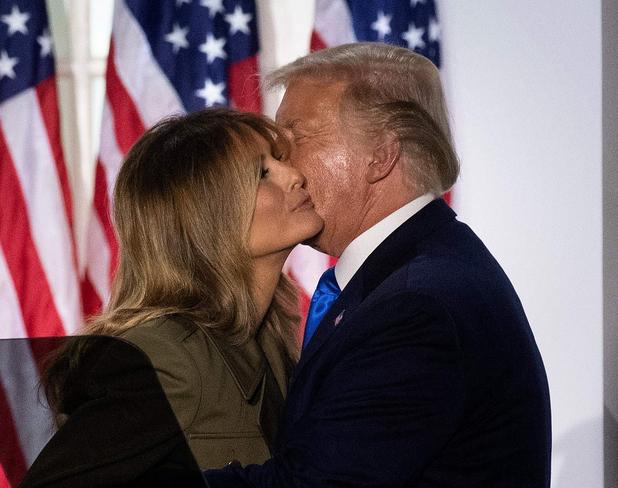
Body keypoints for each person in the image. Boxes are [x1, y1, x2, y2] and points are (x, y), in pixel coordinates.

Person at [206, 43, 551, 487]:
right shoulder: (418, 273)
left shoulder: (414, 308)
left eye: (296, 140)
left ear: (382, 155)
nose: (285, 168)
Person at [19, 108, 324, 486]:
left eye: (280, 161)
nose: (295, 176)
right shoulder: (166, 357)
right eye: (262, 173)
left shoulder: (266, 340)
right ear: (208, 218)